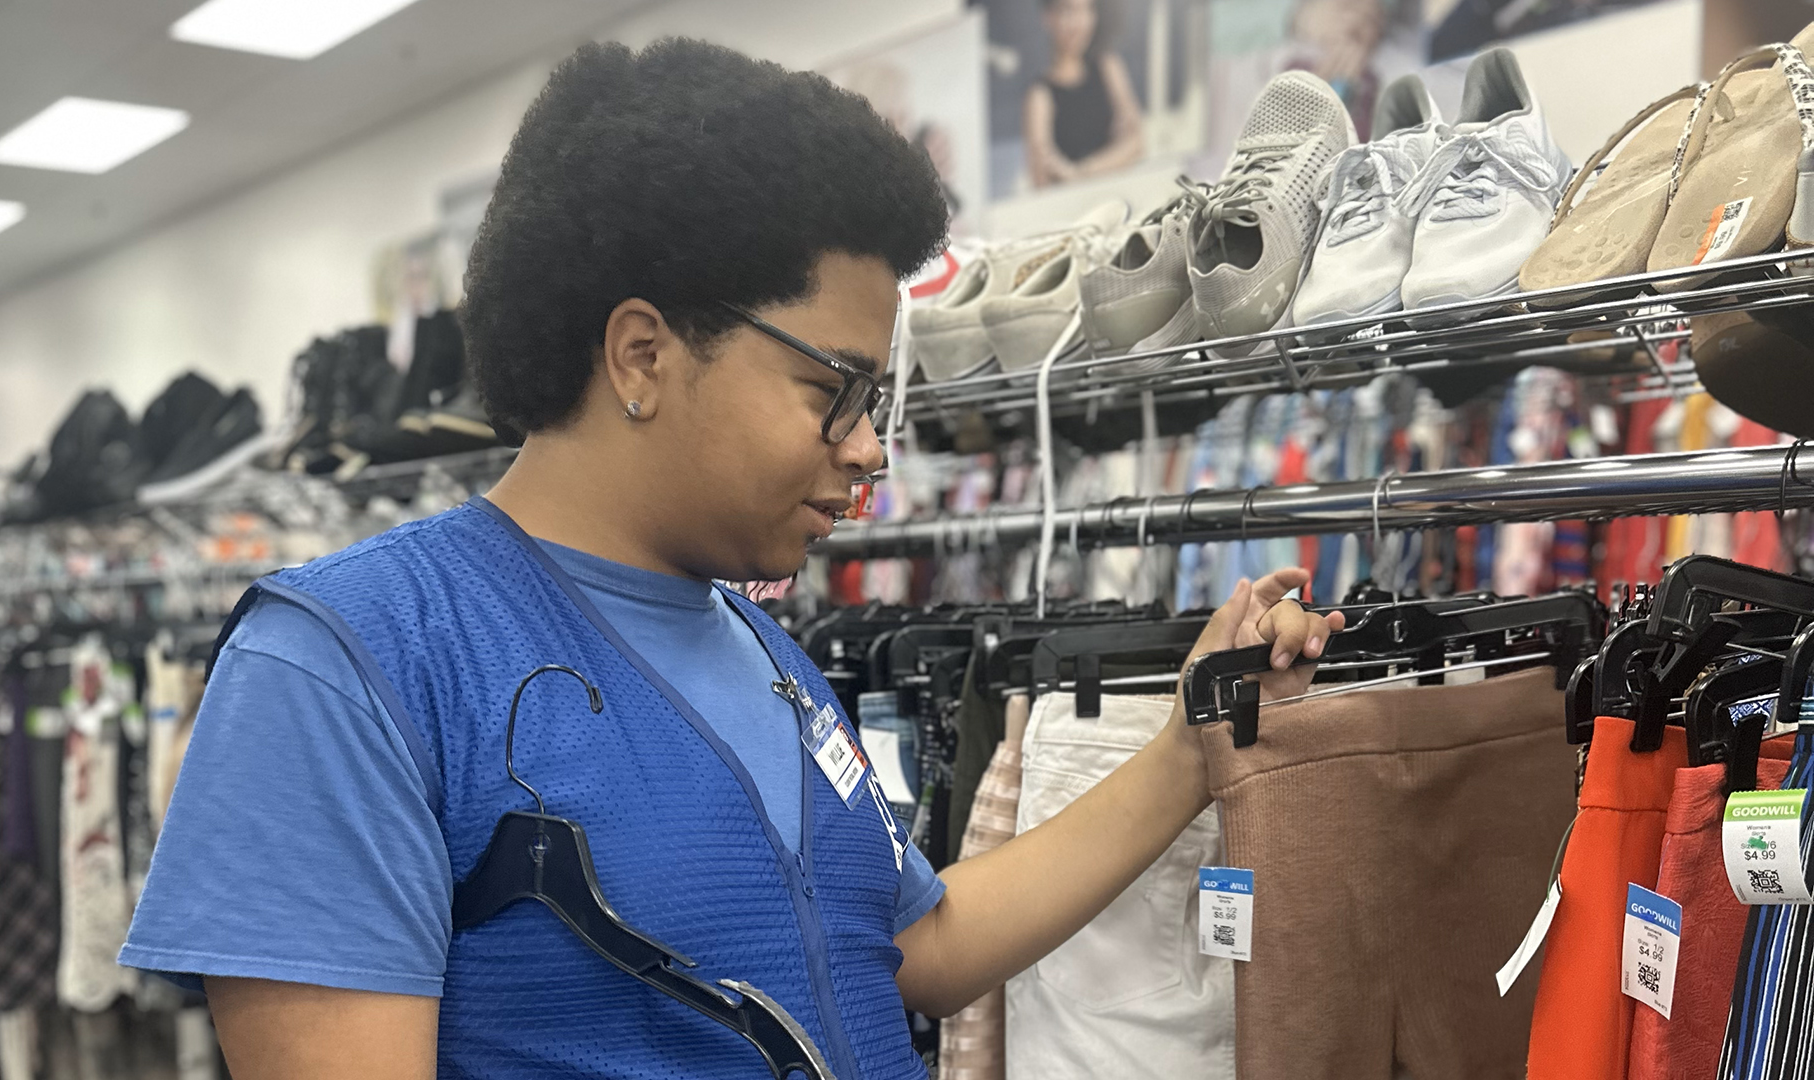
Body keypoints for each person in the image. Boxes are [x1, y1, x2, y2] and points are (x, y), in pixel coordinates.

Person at [119, 38, 1340, 1078]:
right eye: (833, 388)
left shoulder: (757, 644)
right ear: (643, 354)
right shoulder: (350, 663)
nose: (869, 448)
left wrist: (1191, 746)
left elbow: (916, 940)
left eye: (881, 397)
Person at [1023, 0, 1145, 188]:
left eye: (1086, 10)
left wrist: (1078, 173)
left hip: (1117, 191)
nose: (1079, 23)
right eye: (1068, 12)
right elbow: (1041, 178)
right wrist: (1114, 157)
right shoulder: (1039, 95)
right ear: (1048, 18)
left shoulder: (1108, 66)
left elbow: (1136, 143)